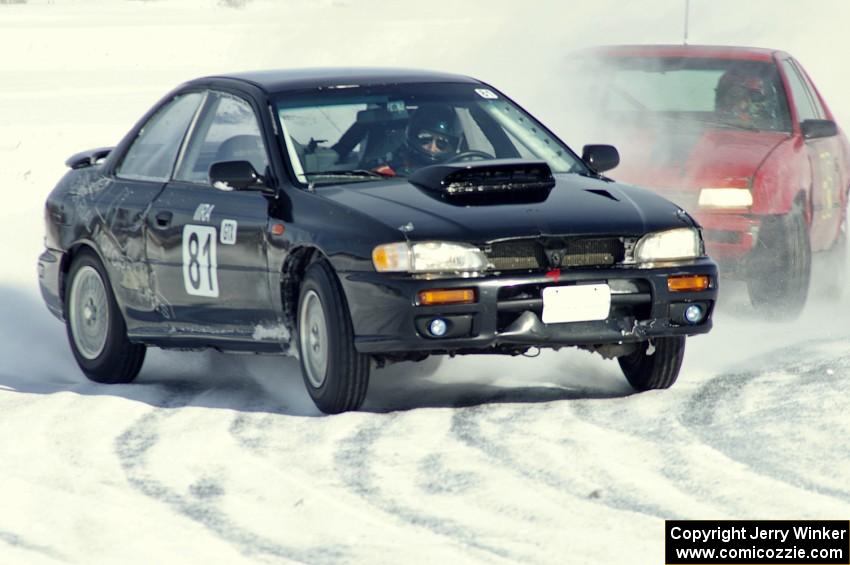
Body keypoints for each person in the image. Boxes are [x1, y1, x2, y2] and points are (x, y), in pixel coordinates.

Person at [371, 104, 462, 176]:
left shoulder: (460, 175)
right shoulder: (386, 173)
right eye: (425, 139)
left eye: (442, 143)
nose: (432, 147)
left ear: (452, 147)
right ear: (412, 137)